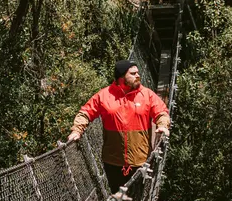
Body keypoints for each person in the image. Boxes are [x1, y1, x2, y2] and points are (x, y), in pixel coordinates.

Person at [67, 59, 170, 193]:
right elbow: (85, 112)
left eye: (138, 73)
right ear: (121, 77)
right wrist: (77, 130)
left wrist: (163, 125)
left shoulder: (147, 95)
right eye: (133, 73)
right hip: (113, 161)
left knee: (137, 199)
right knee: (117, 198)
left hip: (141, 160)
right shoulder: (104, 96)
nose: (138, 76)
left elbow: (161, 112)